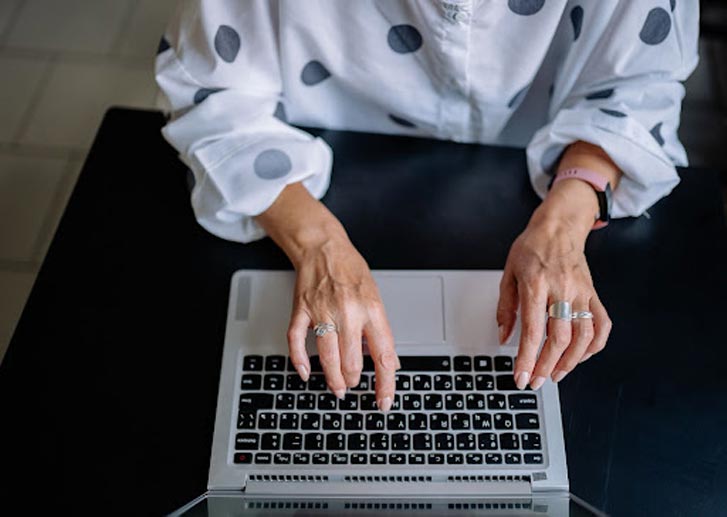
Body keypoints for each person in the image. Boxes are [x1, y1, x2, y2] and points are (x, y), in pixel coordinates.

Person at [155, 1, 698, 412]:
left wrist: (563, 225)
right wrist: (319, 246)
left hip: (536, 162)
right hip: (310, 159)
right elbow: (212, 95)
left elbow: (635, 86)